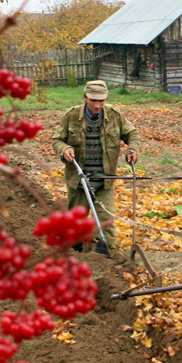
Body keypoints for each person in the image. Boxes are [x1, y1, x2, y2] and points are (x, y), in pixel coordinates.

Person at [51, 80, 140, 254]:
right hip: (79, 180)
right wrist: (64, 149)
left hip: (104, 180)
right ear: (85, 97)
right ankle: (75, 253)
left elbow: (132, 133)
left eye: (101, 100)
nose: (98, 105)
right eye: (93, 100)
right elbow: (57, 140)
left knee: (106, 222)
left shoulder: (114, 115)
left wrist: (132, 149)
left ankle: (104, 255)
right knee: (75, 225)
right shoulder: (71, 116)